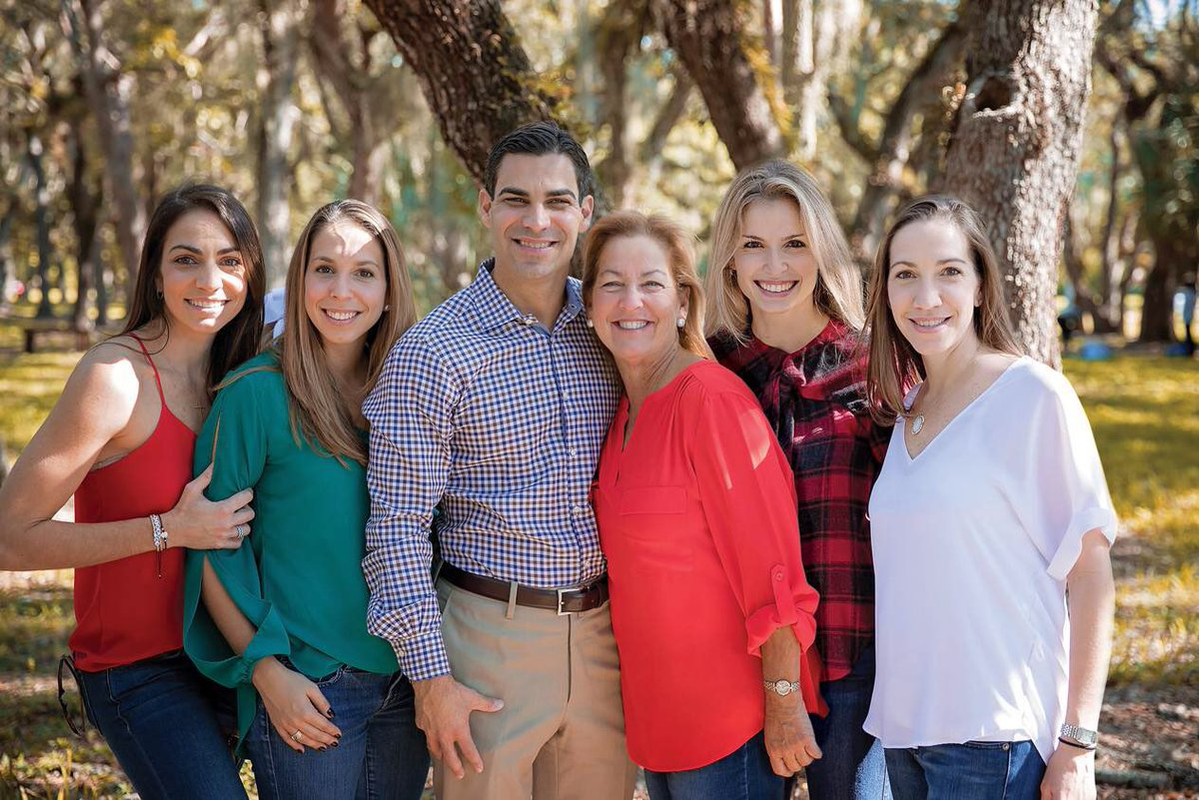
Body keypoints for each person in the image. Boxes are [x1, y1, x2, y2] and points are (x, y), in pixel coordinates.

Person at [361, 122, 638, 799]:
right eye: (515, 199)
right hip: (487, 640)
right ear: (485, 206)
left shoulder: (611, 327)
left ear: (585, 212)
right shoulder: (433, 352)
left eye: (556, 201)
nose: (535, 220)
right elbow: (395, 530)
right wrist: (431, 681)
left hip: (606, 635)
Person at [0, 184, 265, 799]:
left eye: (229, 260)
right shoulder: (115, 377)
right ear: (155, 273)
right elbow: (11, 539)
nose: (210, 279)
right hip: (138, 669)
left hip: (230, 655)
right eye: (186, 259)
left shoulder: (244, 376)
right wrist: (168, 529)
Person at [863, 195, 1118, 800]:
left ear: (980, 286)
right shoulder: (906, 413)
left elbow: (1090, 573)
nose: (927, 297)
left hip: (993, 737)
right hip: (906, 733)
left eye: (949, 272)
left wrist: (1078, 742)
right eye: (907, 275)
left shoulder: (1031, 396)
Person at [182, 200, 428, 799]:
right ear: (299, 281)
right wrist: (268, 675)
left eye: (364, 273)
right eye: (324, 269)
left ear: (391, 289)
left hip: (409, 680)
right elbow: (212, 552)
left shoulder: (411, 390)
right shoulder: (254, 395)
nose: (341, 291)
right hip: (312, 683)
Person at [583, 210, 826, 800]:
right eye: (612, 284)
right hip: (658, 726)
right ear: (589, 306)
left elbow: (772, 570)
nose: (630, 301)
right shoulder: (623, 411)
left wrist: (784, 701)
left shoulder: (710, 400)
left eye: (651, 284)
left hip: (732, 728)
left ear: (684, 302)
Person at [705, 160, 891, 800]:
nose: (774, 266)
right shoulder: (709, 370)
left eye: (794, 244)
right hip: (736, 660)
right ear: (730, 259)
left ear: (821, 251)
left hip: (851, 653)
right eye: (753, 245)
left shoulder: (873, 368)